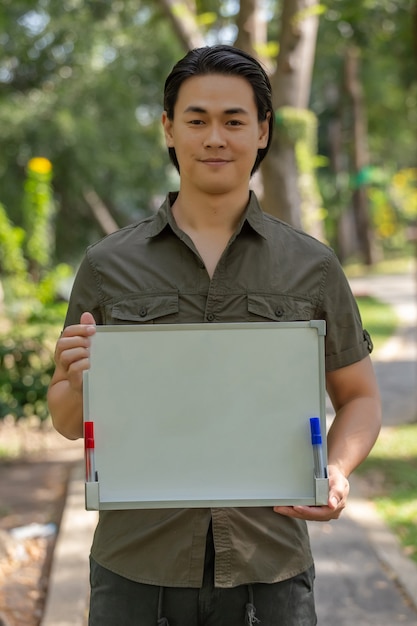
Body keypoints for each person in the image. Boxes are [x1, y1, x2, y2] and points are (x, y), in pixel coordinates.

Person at [47, 44, 381, 626]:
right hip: (135, 569)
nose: (215, 138)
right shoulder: (106, 265)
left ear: (263, 131)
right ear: (169, 129)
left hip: (269, 566)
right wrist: (76, 381)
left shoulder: (312, 266)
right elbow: (68, 420)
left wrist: (337, 470)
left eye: (234, 121)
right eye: (197, 120)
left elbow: (360, 398)